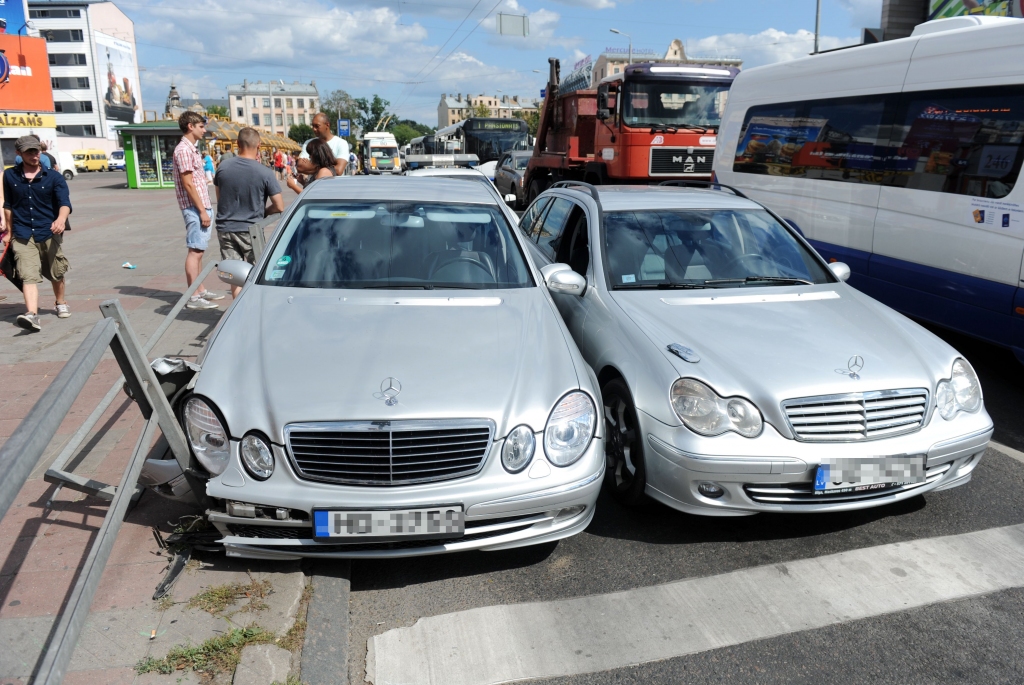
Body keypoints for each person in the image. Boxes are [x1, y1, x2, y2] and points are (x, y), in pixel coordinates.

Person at [1, 135, 72, 332]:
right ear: (19, 153)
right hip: (23, 233)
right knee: (27, 274)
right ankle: (32, 314)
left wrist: (60, 219)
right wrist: (8, 231)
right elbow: (9, 206)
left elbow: (65, 203)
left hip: (48, 231)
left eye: (36, 151)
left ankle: (60, 302)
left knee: (56, 271)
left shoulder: (54, 177)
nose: (34, 155)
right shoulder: (10, 176)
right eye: (29, 152)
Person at [214, 127, 284, 297]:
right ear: (259, 145)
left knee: (235, 275)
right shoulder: (265, 172)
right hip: (251, 230)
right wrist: (264, 213)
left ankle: (238, 310)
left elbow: (219, 197)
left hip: (226, 228)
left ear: (237, 144)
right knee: (257, 272)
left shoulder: (223, 167)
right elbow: (279, 206)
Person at [172, 111, 224, 310]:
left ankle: (200, 289)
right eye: (201, 126)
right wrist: (202, 210)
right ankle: (193, 296)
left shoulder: (191, 149)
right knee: (195, 251)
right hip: (195, 208)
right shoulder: (184, 150)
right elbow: (188, 184)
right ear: (190, 126)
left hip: (200, 206)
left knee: (199, 251)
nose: (204, 130)